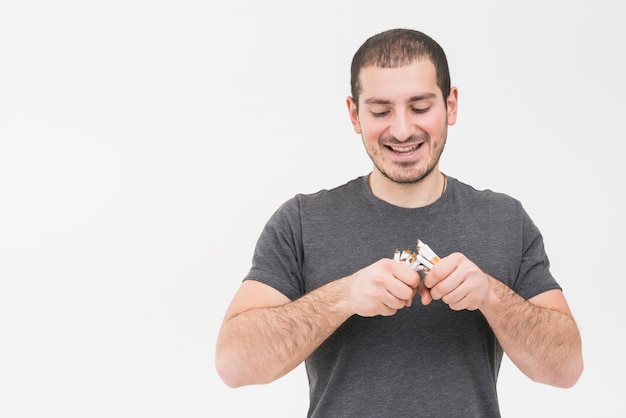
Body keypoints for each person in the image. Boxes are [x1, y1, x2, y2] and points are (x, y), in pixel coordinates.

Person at [215, 28, 583, 417]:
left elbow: (566, 369)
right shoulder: (302, 222)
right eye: (380, 110)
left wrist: (492, 297)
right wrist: (343, 297)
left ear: (451, 105)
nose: (403, 130)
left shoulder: (505, 220)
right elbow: (234, 364)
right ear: (354, 114)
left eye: (421, 107)